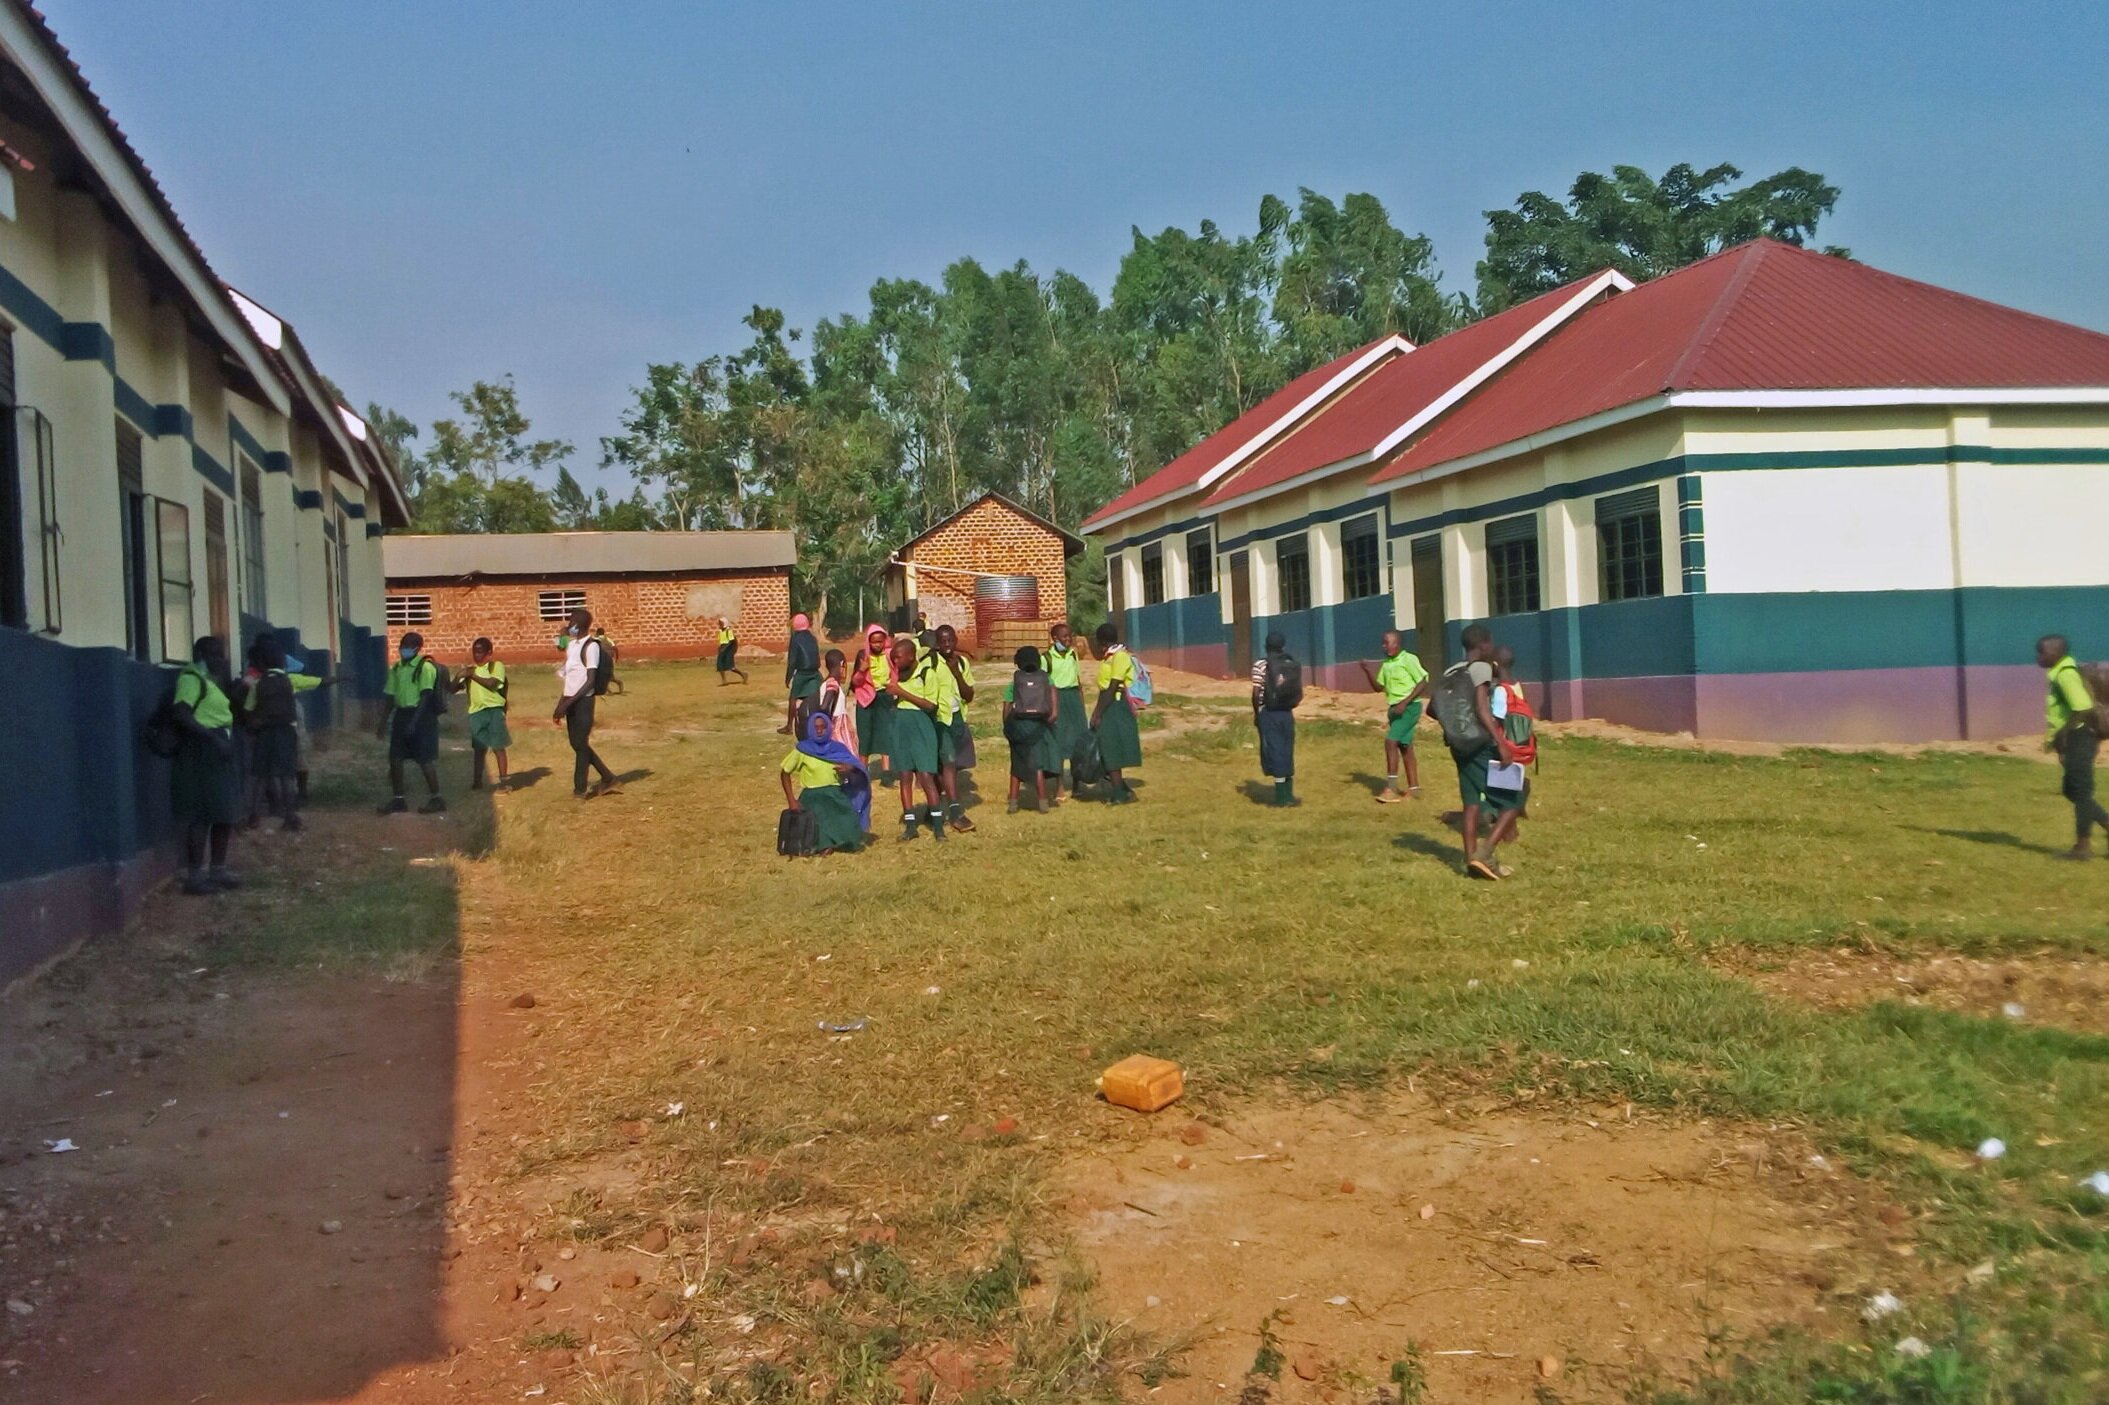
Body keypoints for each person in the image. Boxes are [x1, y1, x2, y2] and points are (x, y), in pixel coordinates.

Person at [1434, 624, 1522, 880]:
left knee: (1471, 803)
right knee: (1513, 799)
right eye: (1490, 643)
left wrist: (1454, 727)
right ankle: (1485, 854)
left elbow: (1432, 709)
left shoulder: (1451, 670)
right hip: (1481, 743)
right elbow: (1483, 710)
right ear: (1483, 645)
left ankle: (1472, 859)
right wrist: (1501, 742)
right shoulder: (1481, 667)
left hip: (1459, 747)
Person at [170, 637, 244, 894]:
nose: (217, 659)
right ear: (198, 654)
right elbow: (181, 713)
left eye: (220, 655)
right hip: (202, 751)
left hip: (219, 748)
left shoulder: (212, 681)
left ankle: (218, 870)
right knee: (201, 814)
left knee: (223, 812)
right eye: (212, 654)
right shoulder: (191, 679)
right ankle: (194, 877)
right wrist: (212, 739)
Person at [2038, 634, 2109, 859]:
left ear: (2057, 653)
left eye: (2043, 652)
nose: (2038, 657)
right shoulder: (2061, 672)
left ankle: (2082, 847)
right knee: (2072, 790)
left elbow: (2082, 707)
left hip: (2080, 736)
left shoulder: (2066, 674)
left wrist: (2064, 733)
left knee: (2082, 792)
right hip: (2076, 737)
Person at [780, 712, 868, 854]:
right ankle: (825, 845)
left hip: (835, 794)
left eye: (823, 727)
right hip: (813, 795)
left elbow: (855, 767)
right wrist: (791, 800)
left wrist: (849, 769)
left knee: (850, 825)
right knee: (819, 818)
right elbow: (785, 773)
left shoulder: (837, 748)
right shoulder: (803, 750)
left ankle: (839, 841)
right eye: (816, 728)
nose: (819, 731)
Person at [885, 636, 946, 841]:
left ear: (911, 656)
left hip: (921, 726)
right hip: (901, 726)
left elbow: (931, 705)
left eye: (899, 658)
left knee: (926, 776)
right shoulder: (897, 676)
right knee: (904, 775)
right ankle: (910, 827)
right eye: (893, 658)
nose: (895, 662)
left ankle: (938, 827)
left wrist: (901, 692)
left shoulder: (926, 673)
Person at [377, 631, 445, 814]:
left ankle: (437, 798)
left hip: (421, 716)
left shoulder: (425, 668)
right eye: (402, 645)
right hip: (402, 714)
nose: (404, 649)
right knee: (395, 757)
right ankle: (399, 799)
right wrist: (383, 721)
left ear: (417, 648)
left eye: (408, 646)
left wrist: (414, 723)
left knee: (424, 758)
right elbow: (391, 696)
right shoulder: (397, 668)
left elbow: (425, 696)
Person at [555, 607, 620, 799]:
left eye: (571, 621)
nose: (568, 625)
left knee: (581, 745)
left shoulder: (591, 647)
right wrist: (561, 704)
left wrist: (567, 704)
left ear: (579, 624)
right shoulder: (572, 646)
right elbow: (570, 678)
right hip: (570, 700)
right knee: (577, 744)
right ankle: (608, 777)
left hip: (583, 701)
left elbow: (590, 681)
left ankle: (580, 790)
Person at [1358, 630, 1429, 803]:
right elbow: (1378, 687)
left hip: (1409, 708)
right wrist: (1367, 671)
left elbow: (1423, 681)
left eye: (1387, 642)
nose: (1384, 646)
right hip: (1394, 710)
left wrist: (1405, 702)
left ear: (1397, 643)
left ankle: (1391, 788)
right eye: (1383, 643)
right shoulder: (1387, 664)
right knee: (1405, 747)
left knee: (1391, 741)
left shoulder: (1409, 659)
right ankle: (1414, 789)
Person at [243, 638, 303, 832]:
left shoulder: (257, 684)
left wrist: (253, 724)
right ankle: (291, 816)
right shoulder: (289, 680)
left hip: (264, 733)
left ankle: (253, 816)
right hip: (286, 732)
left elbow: (248, 709)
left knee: (260, 775)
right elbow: (318, 681)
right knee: (287, 775)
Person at [1002, 645, 1061, 814]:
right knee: (1037, 765)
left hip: (1019, 725)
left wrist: (1008, 726)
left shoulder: (1015, 680)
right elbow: (1054, 708)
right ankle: (1043, 803)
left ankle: (1013, 803)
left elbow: (1007, 705)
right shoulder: (1046, 679)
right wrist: (1048, 719)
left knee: (1017, 764)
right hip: (1039, 726)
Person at [930, 624, 977, 832]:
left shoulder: (963, 663)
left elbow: (969, 696)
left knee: (952, 765)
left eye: (950, 640)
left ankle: (934, 805)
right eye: (942, 641)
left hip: (957, 717)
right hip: (939, 719)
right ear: (937, 643)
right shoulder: (931, 663)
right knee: (947, 761)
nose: (947, 644)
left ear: (956, 641)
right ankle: (956, 812)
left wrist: (956, 673)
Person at [1089, 622, 1141, 803]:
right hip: (1108, 703)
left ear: (1101, 640)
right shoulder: (1109, 656)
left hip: (1115, 706)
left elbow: (1112, 687)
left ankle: (1120, 794)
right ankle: (1124, 791)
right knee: (1107, 749)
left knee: (1111, 749)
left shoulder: (1120, 656)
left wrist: (1098, 713)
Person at [1251, 631, 1303, 806]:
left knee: (1275, 751)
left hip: (1269, 713)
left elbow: (1256, 692)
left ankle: (1281, 798)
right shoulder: (1289, 663)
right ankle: (1289, 795)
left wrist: (1257, 714)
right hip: (1287, 712)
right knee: (1287, 750)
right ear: (1283, 647)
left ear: (1266, 647)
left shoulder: (1260, 665)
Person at [456, 637, 512, 790]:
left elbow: (493, 684)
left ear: (489, 653)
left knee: (498, 746)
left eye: (480, 652)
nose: (477, 655)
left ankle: (504, 781)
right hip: (476, 711)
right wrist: (459, 676)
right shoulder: (470, 670)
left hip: (494, 710)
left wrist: (472, 675)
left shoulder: (496, 666)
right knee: (479, 748)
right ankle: (477, 781)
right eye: (475, 652)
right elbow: (453, 688)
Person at [1046, 622, 1087, 803]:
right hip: (1056, 700)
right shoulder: (1046, 658)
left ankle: (1077, 785)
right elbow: (1044, 684)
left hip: (1073, 700)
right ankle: (1059, 786)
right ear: (1055, 639)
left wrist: (1081, 704)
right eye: (1064, 637)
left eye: (1070, 636)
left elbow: (1078, 682)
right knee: (1059, 743)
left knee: (1078, 742)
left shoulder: (1073, 655)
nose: (1068, 640)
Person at [853, 623, 895, 777]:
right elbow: (855, 682)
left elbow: (896, 674)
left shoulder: (890, 655)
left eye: (880, 641)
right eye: (874, 642)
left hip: (884, 697)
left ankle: (886, 772)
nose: (878, 645)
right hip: (866, 699)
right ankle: (863, 772)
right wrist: (862, 670)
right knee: (865, 735)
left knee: (886, 732)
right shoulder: (863, 656)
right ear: (868, 642)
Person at [782, 611, 821, 735]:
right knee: (814, 699)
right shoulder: (812, 638)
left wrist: (788, 677)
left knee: (793, 698)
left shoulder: (795, 638)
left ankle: (789, 726)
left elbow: (792, 660)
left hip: (802, 672)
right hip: (815, 671)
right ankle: (816, 725)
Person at [715, 617, 747, 685]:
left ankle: (743, 674)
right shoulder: (720, 631)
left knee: (730, 667)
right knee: (720, 665)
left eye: (721, 623)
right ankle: (724, 680)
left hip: (728, 649)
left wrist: (724, 648)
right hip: (722, 648)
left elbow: (730, 641)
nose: (719, 624)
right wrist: (720, 648)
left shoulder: (728, 631)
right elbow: (721, 641)